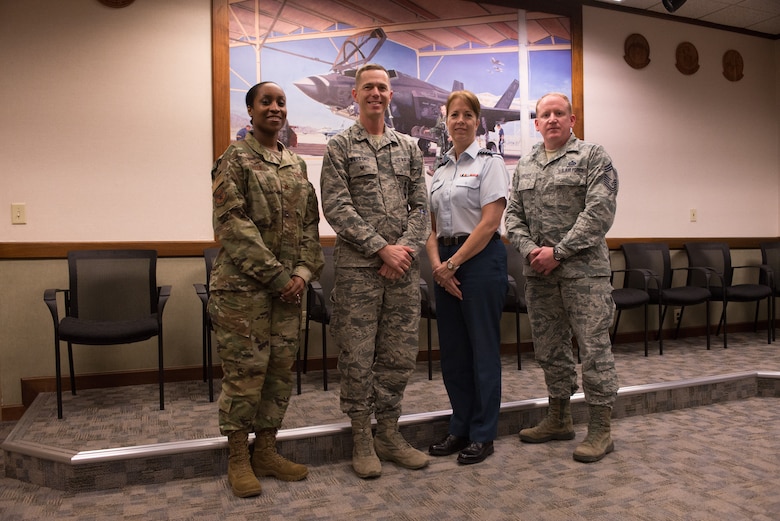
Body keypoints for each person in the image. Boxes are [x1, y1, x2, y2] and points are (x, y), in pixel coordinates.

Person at [209, 81, 324, 497]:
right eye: (266, 102)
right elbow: (232, 225)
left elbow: (310, 227)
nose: (275, 108)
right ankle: (238, 458)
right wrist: (279, 277)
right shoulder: (234, 159)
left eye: (280, 102)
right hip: (243, 292)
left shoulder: (296, 164)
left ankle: (267, 450)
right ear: (251, 110)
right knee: (245, 375)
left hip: (289, 292)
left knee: (278, 372)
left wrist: (303, 274)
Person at [320, 63, 431, 479]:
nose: (376, 93)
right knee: (358, 356)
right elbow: (336, 206)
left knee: (399, 355)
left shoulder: (409, 148)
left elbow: (421, 206)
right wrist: (381, 249)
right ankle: (362, 439)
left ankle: (388, 431)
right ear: (355, 95)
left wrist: (403, 251)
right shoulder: (339, 147)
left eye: (382, 87)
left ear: (389, 95)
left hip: (402, 270)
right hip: (358, 271)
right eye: (368, 87)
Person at [504, 92, 619, 463]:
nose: (552, 119)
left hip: (584, 275)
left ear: (572, 119)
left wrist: (559, 252)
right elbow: (513, 216)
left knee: (593, 349)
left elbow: (599, 212)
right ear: (536, 124)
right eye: (545, 114)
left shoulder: (592, 157)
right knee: (550, 349)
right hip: (539, 275)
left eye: (559, 113)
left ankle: (600, 429)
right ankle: (559, 417)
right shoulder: (525, 165)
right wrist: (530, 251)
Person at [425, 90, 509, 465]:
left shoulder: (491, 163)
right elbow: (429, 227)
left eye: (467, 115)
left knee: (483, 351)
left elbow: (490, 223)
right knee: (455, 354)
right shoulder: (439, 170)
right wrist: (437, 267)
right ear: (445, 121)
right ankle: (459, 428)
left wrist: (452, 265)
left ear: (478, 122)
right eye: (453, 115)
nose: (459, 121)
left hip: (478, 262)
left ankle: (482, 433)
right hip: (444, 262)